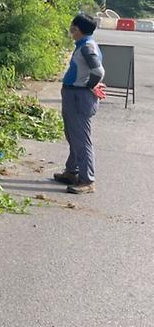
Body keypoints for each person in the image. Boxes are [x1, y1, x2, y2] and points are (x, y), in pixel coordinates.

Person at [54, 13, 106, 194]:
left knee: (82, 140)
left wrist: (89, 86)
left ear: (77, 29)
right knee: (73, 136)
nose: (70, 31)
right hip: (73, 95)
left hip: (79, 97)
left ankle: (87, 180)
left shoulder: (87, 47)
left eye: (72, 28)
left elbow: (98, 71)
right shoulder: (84, 45)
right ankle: (72, 172)